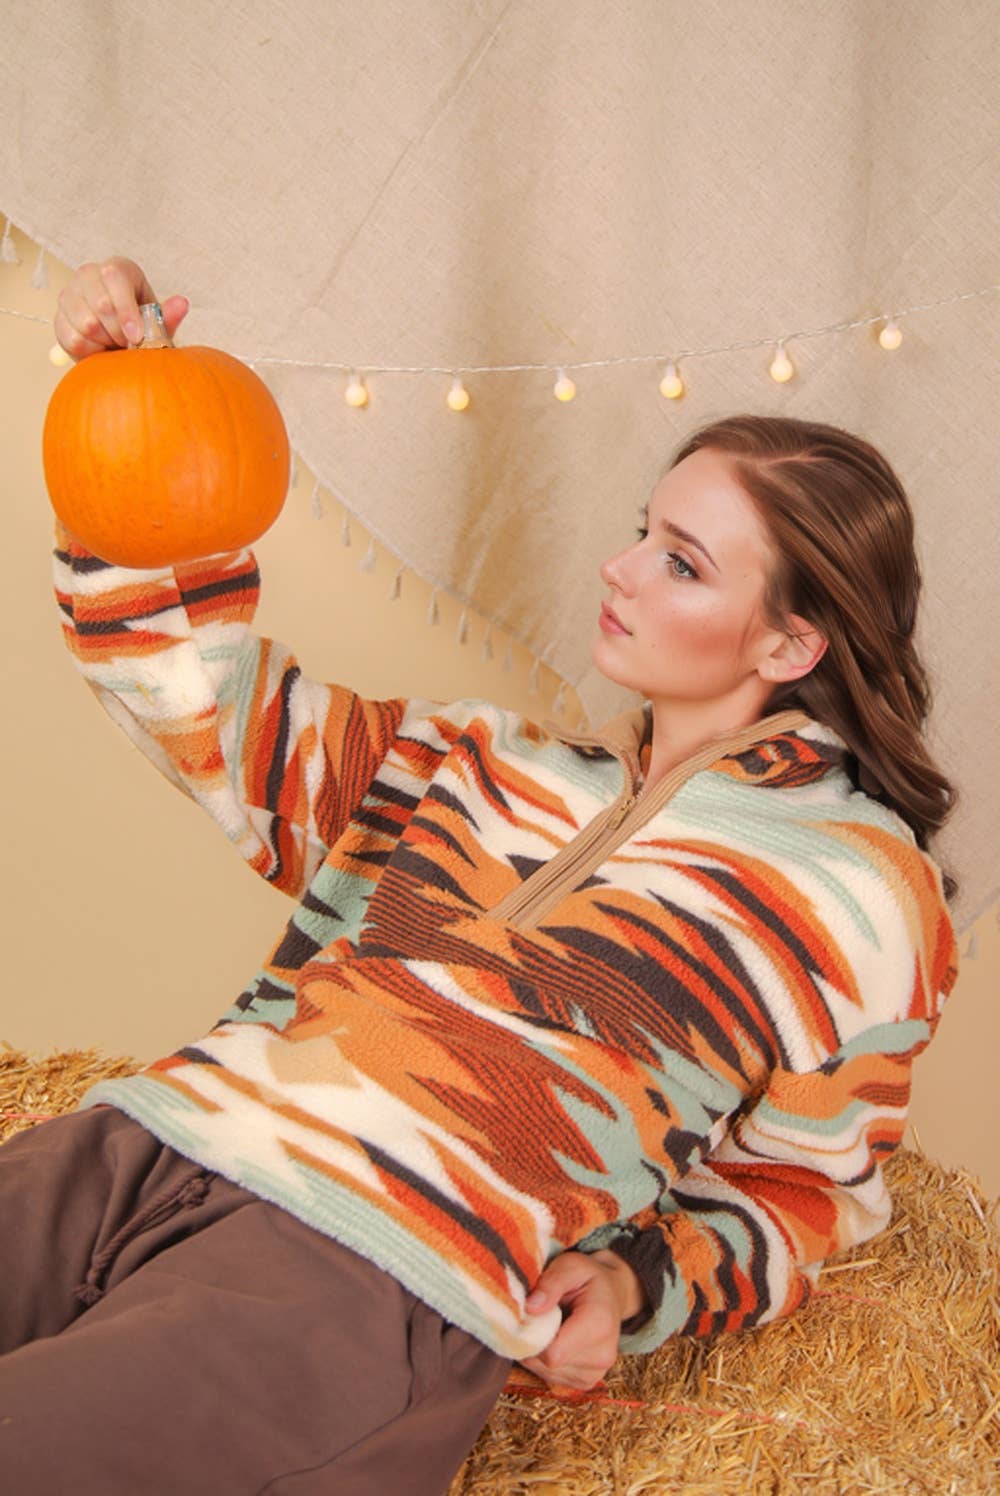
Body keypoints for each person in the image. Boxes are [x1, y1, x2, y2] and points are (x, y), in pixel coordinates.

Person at [0, 257, 959, 1496]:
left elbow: (805, 1187)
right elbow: (198, 705)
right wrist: (121, 420)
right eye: (642, 532)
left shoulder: (858, 893)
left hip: (369, 1273)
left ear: (789, 640)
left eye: (681, 563)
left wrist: (634, 1282)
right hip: (150, 1141)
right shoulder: (470, 757)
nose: (619, 569)